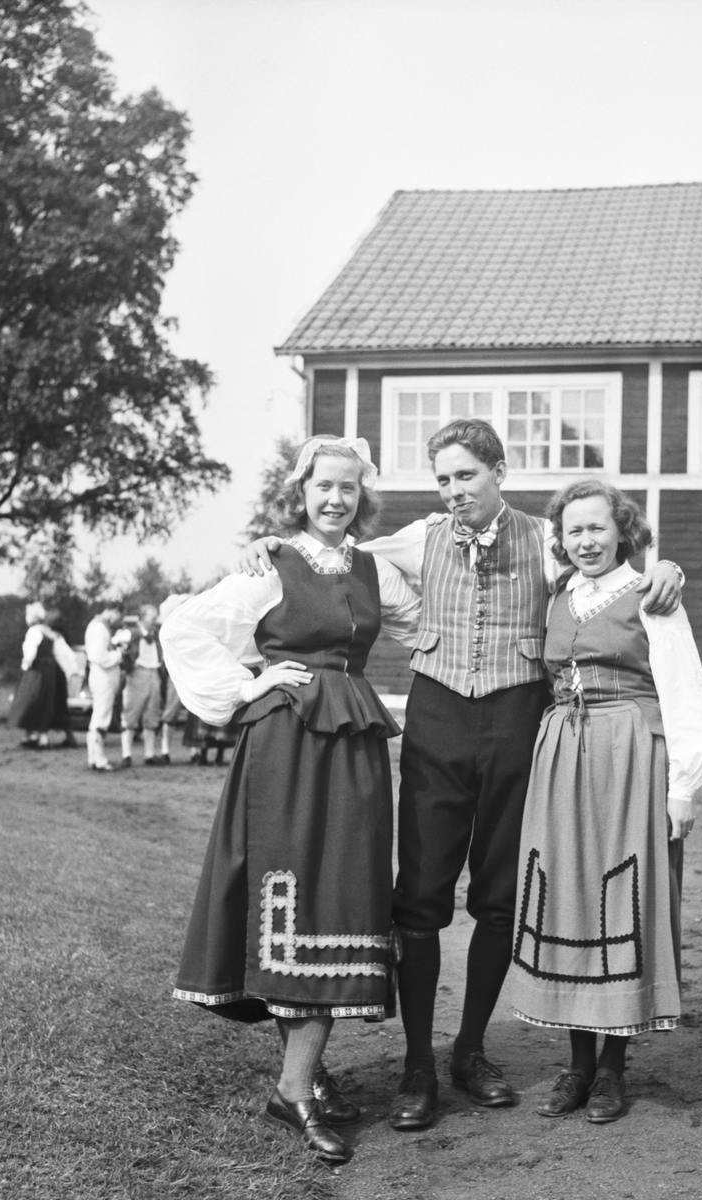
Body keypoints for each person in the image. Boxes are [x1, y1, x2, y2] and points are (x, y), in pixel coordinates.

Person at [241, 418, 685, 1130]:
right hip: (438, 720)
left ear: (498, 472)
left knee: (501, 896)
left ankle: (469, 1051)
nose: (453, 490)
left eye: (466, 475)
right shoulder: (418, 539)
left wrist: (666, 568)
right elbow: (335, 552)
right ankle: (418, 1063)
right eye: (442, 478)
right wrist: (273, 543)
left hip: (517, 722)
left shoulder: (545, 539)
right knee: (419, 897)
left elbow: (610, 567)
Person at [161, 436, 420, 1164]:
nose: (335, 498)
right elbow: (184, 626)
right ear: (300, 493)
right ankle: (295, 1088)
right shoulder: (269, 565)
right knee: (293, 900)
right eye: (322, 486)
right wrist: (252, 683)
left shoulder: (374, 568)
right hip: (285, 745)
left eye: (347, 487)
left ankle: (303, 1076)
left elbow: (432, 617)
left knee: (341, 897)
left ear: (361, 496)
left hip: (354, 745)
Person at [509, 480, 702, 1123]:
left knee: (620, 893)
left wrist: (683, 788)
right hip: (562, 755)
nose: (586, 541)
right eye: (574, 530)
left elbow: (686, 692)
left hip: (630, 753)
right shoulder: (558, 593)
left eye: (597, 528)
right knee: (569, 896)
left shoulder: (652, 596)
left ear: (622, 530)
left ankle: (611, 1070)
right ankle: (577, 1065)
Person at [8, 602, 80, 748]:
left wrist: (25, 666)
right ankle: (40, 737)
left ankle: (39, 738)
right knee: (49, 703)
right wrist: (72, 670)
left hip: (36, 672)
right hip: (51, 672)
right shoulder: (51, 633)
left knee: (30, 702)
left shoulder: (34, 631)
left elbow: (30, 653)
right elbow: (65, 653)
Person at [120, 604, 164, 767]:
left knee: (152, 714)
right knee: (132, 713)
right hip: (138, 672)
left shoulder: (157, 634)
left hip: (154, 672)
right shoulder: (131, 633)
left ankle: (149, 754)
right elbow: (119, 647)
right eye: (152, 617)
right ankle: (126, 754)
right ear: (142, 618)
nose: (154, 620)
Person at [83, 606, 124, 771]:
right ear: (113, 611)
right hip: (103, 677)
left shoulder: (99, 626)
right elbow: (98, 656)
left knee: (98, 717)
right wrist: (119, 655)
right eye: (119, 615)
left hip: (103, 676)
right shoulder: (99, 628)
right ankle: (100, 759)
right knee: (101, 718)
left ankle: (93, 758)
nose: (119, 619)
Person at [157, 593, 190, 764]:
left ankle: (194, 751)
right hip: (177, 672)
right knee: (171, 712)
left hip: (189, 671)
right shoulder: (171, 627)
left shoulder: (189, 626)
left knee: (194, 713)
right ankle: (165, 751)